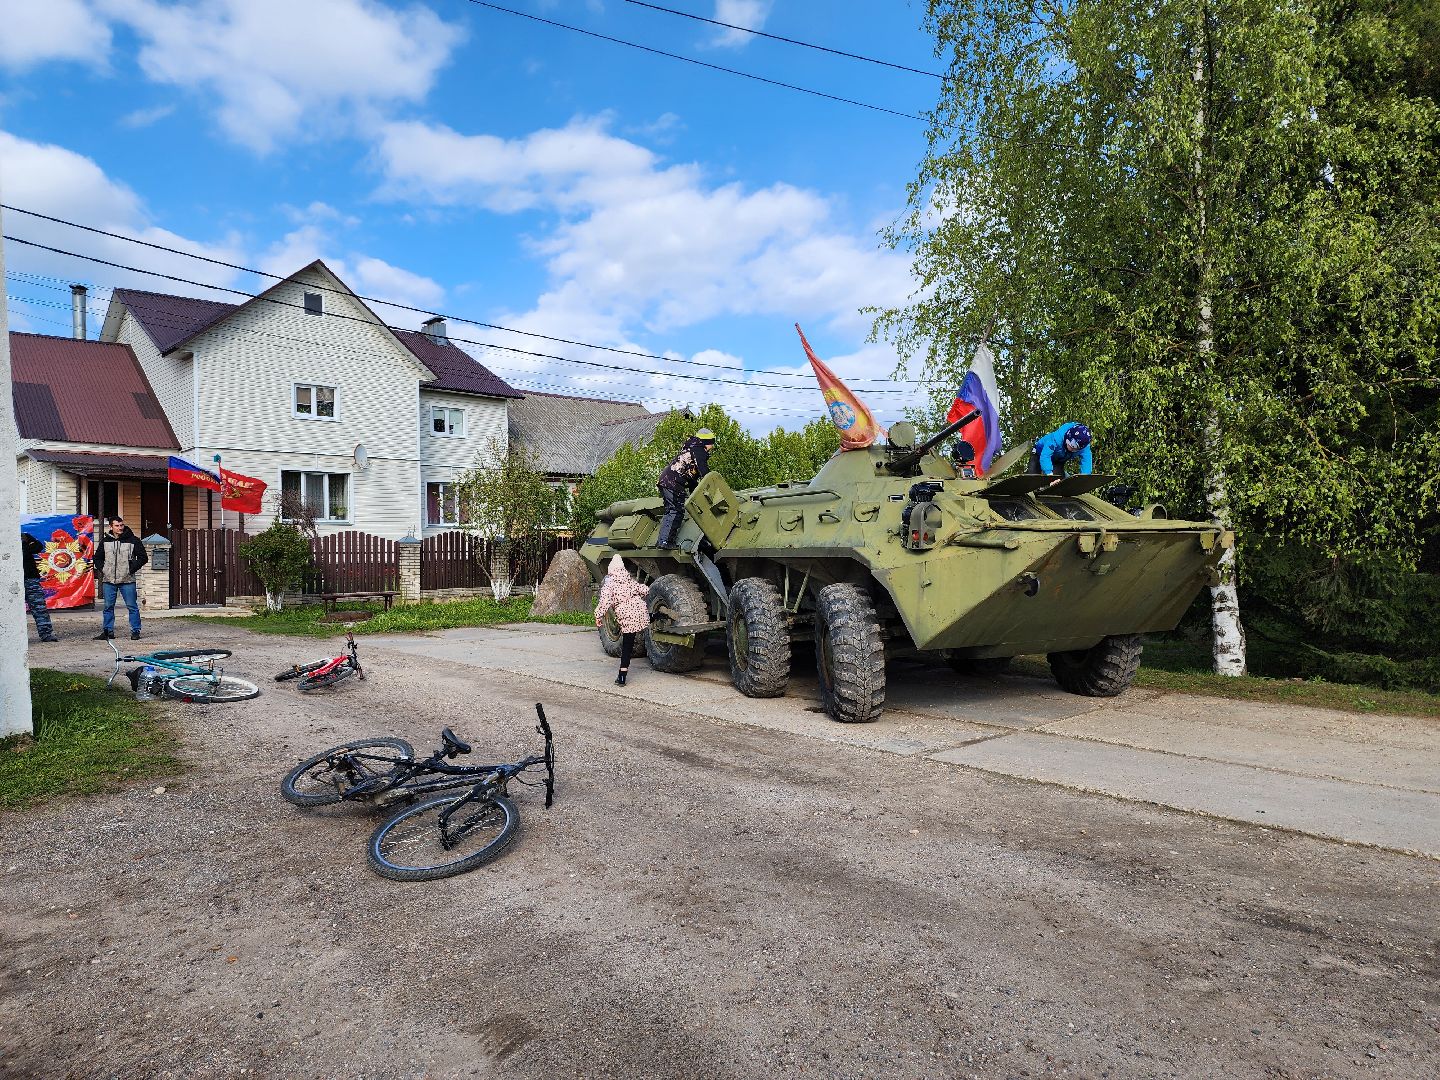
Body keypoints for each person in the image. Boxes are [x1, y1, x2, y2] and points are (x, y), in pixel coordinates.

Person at [656, 428, 717, 550]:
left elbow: (692, 478)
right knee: (676, 511)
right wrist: (713, 487)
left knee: (671, 511)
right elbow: (703, 471)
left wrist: (695, 494)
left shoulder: (691, 448)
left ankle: (662, 540)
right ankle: (665, 542)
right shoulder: (699, 450)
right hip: (672, 482)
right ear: (708, 442)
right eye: (712, 442)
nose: (712, 446)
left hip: (667, 480)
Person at [594, 555, 650, 686]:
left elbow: (605, 601)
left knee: (627, 647)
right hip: (639, 610)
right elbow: (643, 589)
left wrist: (598, 615)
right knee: (648, 619)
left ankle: (622, 677)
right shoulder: (628, 579)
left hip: (627, 615)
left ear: (611, 569)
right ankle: (660, 616)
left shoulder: (610, 582)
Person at [93, 516, 147, 640]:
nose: (120, 528)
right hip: (109, 580)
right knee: (108, 607)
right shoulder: (105, 541)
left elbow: (143, 557)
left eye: (121, 525)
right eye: (117, 526)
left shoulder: (133, 540)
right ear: (111, 527)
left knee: (132, 606)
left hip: (127, 580)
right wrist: (105, 570)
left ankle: (135, 631)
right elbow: (97, 558)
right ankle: (108, 632)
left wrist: (130, 569)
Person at [20, 532, 59, 643]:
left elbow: (38, 547)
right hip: (9, 580)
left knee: (39, 608)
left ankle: (46, 634)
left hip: (30, 579)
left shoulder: (23, 536)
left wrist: (24, 549)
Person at [1028, 423, 1093, 478]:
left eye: (1077, 448)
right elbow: (1045, 456)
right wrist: (1049, 475)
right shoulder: (1055, 439)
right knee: (1033, 478)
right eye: (1073, 445)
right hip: (1039, 453)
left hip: (1058, 460)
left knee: (1058, 482)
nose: (1074, 449)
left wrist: (1084, 478)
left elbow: (1086, 462)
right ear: (1068, 437)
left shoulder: (1084, 447)